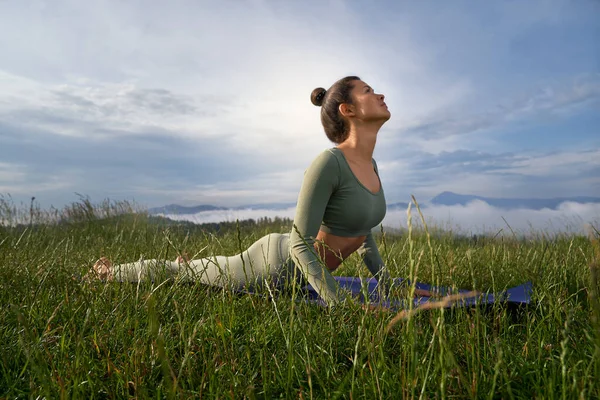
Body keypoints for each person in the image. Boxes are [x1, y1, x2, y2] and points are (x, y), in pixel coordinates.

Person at [86, 76, 395, 307]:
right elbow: (300, 245)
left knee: (197, 269)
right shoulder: (328, 164)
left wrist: (388, 285)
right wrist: (339, 302)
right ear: (348, 109)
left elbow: (362, 234)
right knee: (178, 274)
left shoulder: (372, 166)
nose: (379, 93)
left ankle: (190, 266)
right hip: (272, 268)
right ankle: (108, 273)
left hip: (303, 276)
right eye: (368, 91)